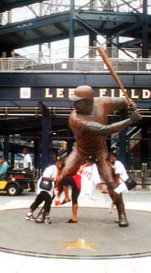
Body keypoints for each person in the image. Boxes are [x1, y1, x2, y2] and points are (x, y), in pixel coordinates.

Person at [58, 85, 141, 227]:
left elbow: (123, 100)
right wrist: (130, 121)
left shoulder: (103, 102)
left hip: (100, 150)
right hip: (81, 150)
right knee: (61, 176)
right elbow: (104, 130)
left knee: (112, 184)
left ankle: (122, 214)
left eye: (78, 101)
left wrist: (130, 104)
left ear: (88, 101)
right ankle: (44, 208)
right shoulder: (75, 119)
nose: (74, 104)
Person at [59, 155, 105, 223]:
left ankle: (66, 197)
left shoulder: (94, 168)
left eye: (90, 161)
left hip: (79, 183)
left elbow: (97, 179)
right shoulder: (83, 165)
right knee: (74, 199)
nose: (88, 162)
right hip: (76, 181)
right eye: (88, 160)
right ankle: (74, 218)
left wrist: (101, 189)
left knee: (64, 179)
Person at [25, 158, 63, 224]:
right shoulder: (51, 168)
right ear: (56, 163)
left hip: (49, 188)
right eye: (59, 163)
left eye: (61, 163)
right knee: (48, 201)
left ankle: (29, 214)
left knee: (38, 200)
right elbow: (45, 177)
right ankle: (47, 217)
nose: (60, 164)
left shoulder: (59, 170)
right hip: (44, 188)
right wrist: (54, 179)